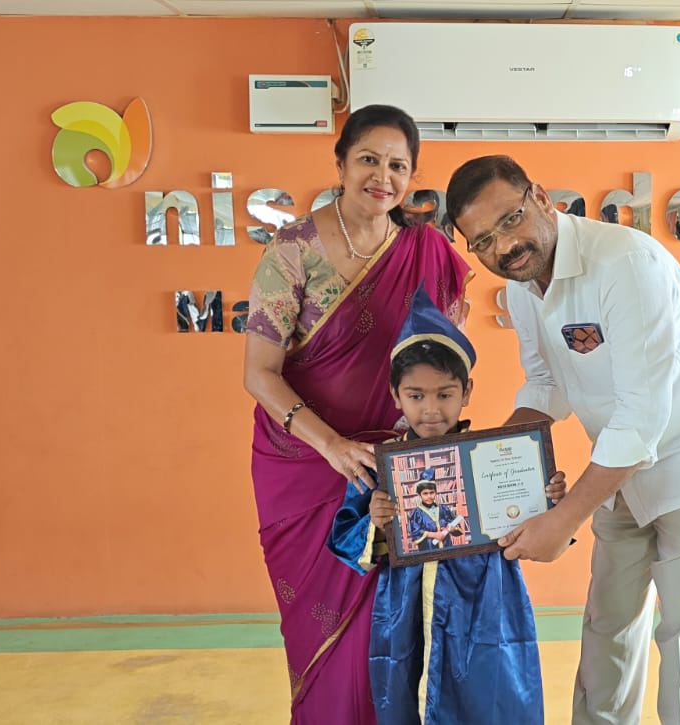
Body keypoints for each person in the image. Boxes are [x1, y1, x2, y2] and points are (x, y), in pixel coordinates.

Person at [444, 155, 680, 725]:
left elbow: (642, 417)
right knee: (607, 626)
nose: (504, 246)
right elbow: (545, 384)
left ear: (539, 197)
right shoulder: (522, 288)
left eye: (510, 220)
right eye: (482, 241)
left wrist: (563, 519)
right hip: (616, 470)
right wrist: (486, 468)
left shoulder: (625, 263)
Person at [240, 105, 471, 724]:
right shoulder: (292, 250)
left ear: (412, 176)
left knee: (394, 633)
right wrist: (334, 447)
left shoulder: (427, 250)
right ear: (340, 162)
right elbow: (259, 373)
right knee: (321, 637)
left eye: (398, 166)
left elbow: (446, 363)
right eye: (369, 159)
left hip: (393, 468)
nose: (382, 177)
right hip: (305, 467)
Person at [326, 288, 567, 725]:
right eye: (416, 396)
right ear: (395, 395)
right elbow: (344, 540)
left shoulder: (496, 460)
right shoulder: (381, 468)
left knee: (490, 698)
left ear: (466, 391)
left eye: (444, 394)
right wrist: (376, 523)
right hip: (405, 611)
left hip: (487, 604)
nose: (431, 410)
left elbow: (542, 533)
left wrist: (549, 502)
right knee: (407, 698)